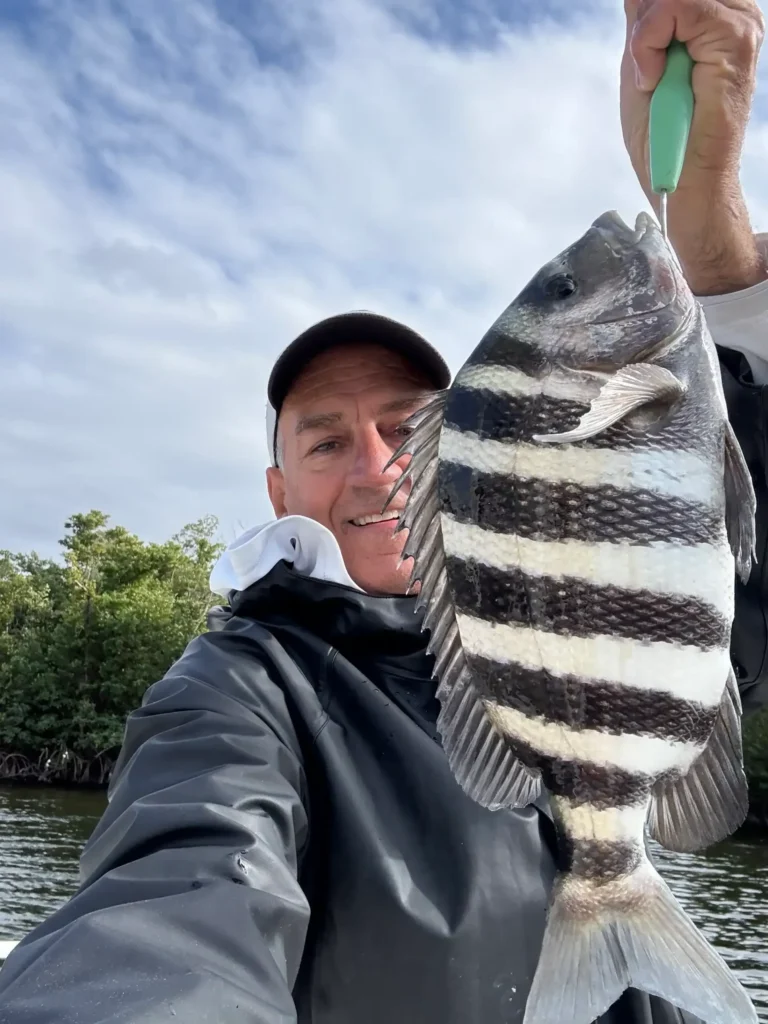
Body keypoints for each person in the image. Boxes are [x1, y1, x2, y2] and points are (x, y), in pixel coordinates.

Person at [1, 1, 767, 1022]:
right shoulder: (239, 693)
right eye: (324, 441)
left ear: (459, 460)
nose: (375, 468)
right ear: (279, 493)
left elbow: (719, 565)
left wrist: (717, 240)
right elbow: (174, 907)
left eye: (406, 428)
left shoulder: (582, 600)